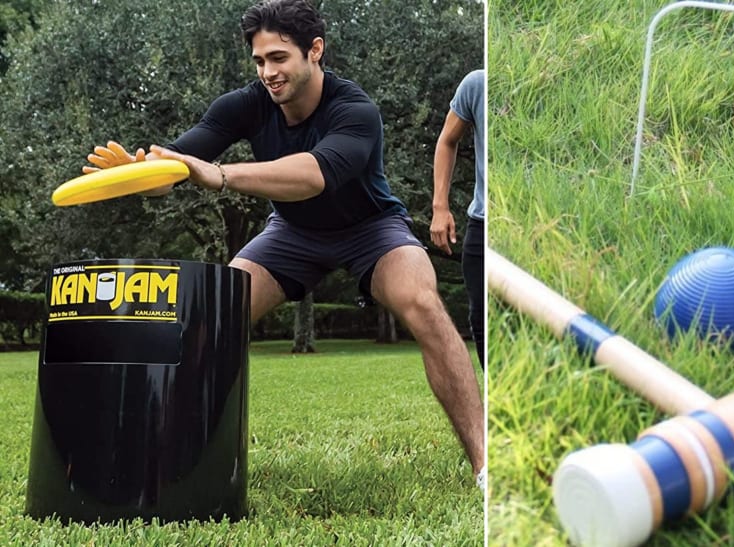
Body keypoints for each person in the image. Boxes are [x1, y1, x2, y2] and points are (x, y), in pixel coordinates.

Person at [83, 0, 484, 486]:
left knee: (424, 304)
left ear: (314, 51)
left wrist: (224, 174)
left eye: (278, 58)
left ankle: (486, 463)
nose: (268, 72)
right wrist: (139, 174)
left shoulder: (355, 110)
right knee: (211, 315)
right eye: (259, 61)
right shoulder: (243, 105)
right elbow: (180, 166)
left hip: (371, 228)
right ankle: (177, 459)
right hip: (292, 234)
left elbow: (316, 175)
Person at [430, 69, 484, 369]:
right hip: (482, 223)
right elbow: (446, 141)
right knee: (480, 318)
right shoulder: (477, 84)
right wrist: (440, 206)